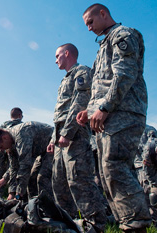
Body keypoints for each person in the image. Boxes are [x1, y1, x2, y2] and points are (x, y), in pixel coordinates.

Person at [77, 4, 151, 232]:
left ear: (103, 14)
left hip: (122, 112)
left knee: (115, 167)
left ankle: (136, 224)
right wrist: (89, 110)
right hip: (107, 116)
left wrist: (106, 107)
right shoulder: (104, 45)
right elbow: (102, 84)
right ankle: (126, 223)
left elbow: (125, 74)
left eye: (90, 22)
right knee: (106, 172)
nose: (89, 28)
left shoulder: (123, 34)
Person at [47, 43, 106, 232]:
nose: (55, 60)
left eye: (57, 56)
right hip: (61, 136)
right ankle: (67, 226)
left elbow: (80, 102)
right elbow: (60, 112)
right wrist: (52, 139)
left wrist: (67, 132)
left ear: (67, 53)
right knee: (59, 183)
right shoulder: (65, 79)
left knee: (79, 180)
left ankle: (97, 226)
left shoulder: (82, 72)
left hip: (75, 134)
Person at [0, 121, 53, 201]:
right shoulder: (10, 144)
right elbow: (13, 168)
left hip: (54, 146)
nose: (2, 150)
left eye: (1, 147)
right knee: (32, 179)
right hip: (42, 152)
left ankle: (50, 209)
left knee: (42, 177)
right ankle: (33, 207)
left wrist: (19, 193)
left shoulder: (22, 134)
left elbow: (25, 165)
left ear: (4, 138)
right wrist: (12, 192)